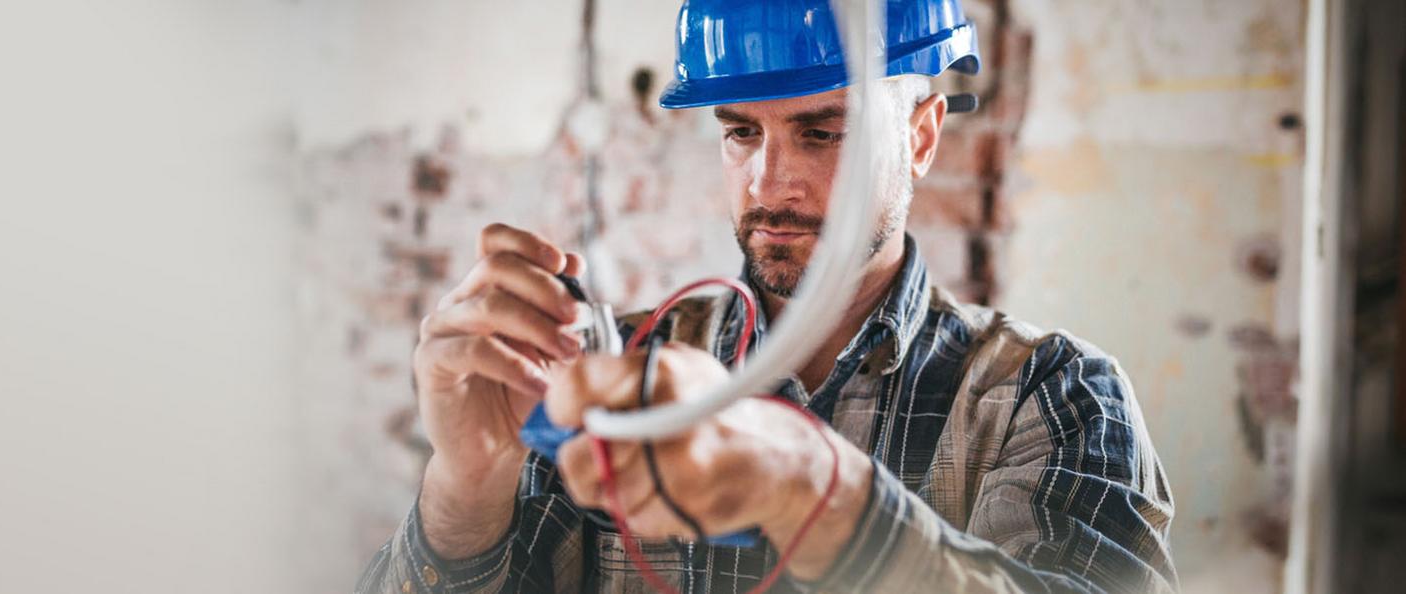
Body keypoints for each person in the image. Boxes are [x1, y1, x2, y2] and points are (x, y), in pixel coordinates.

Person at [355, 1, 1174, 592]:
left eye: (823, 132)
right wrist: (465, 491)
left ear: (921, 137)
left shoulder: (1050, 397)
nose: (769, 182)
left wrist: (815, 491)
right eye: (741, 131)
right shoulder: (606, 376)